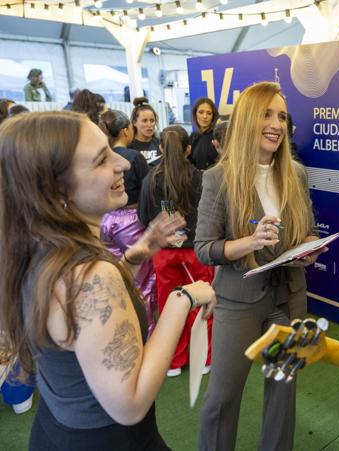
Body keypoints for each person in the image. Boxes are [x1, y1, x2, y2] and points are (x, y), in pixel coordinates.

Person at [0, 111, 216, 450]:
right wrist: (182, 300)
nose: (124, 165)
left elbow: (78, 322)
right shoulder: (89, 276)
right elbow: (129, 404)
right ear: (56, 191)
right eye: (101, 159)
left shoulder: (34, 248)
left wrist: (131, 257)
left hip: (56, 429)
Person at [195, 81, 323, 451]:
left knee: (283, 391)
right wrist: (250, 242)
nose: (276, 124)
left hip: (288, 299)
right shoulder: (218, 177)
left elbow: (308, 230)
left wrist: (310, 249)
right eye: (267, 114)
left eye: (282, 116)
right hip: (238, 300)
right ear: (249, 118)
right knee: (222, 396)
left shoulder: (296, 174)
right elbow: (204, 248)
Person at [138, 125, 214, 377]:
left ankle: (173, 361)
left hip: (165, 254)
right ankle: (203, 358)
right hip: (195, 254)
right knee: (200, 304)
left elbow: (143, 216)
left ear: (160, 147)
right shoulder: (200, 177)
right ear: (188, 149)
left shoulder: (151, 179)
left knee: (170, 306)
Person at [98, 109, 157, 337]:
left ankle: (119, 330)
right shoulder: (132, 157)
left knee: (114, 278)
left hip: (105, 219)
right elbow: (149, 190)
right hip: (131, 222)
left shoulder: (102, 156)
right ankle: (146, 336)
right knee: (143, 284)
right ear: (126, 129)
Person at [189, 97, 220, 170]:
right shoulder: (192, 137)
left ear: (213, 116)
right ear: (195, 114)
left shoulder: (219, 136)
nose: (205, 116)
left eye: (209, 113)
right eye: (201, 112)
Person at [130, 97, 162, 166]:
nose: (149, 125)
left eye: (152, 120)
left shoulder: (161, 144)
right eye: (144, 121)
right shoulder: (129, 146)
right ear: (134, 122)